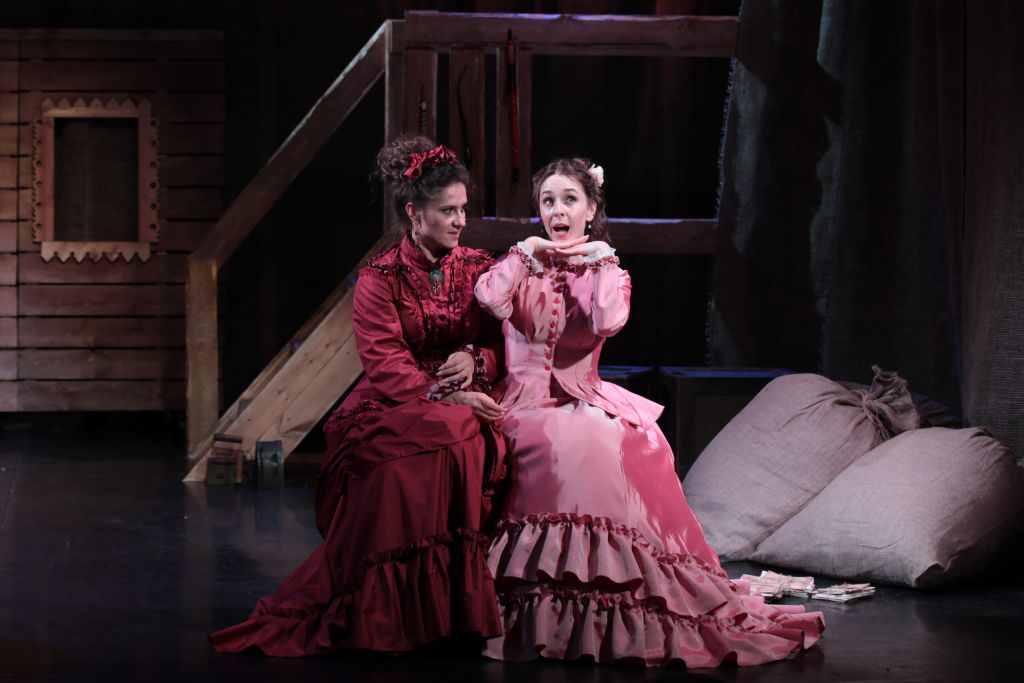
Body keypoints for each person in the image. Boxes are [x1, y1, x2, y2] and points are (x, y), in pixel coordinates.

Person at [474, 157, 824, 667]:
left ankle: (602, 599)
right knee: (563, 439)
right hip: (521, 401)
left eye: (570, 200)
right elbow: (489, 298)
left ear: (591, 208)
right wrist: (527, 250)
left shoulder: (610, 274)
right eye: (548, 201)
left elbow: (606, 320)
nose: (557, 211)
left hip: (582, 395)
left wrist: (599, 261)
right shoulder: (521, 265)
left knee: (612, 437)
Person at [211, 136, 508, 657]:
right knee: (418, 451)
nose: (461, 221)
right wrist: (447, 396)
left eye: (464, 209)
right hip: (401, 396)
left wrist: (474, 358)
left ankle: (450, 610)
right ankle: (394, 612)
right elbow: (385, 362)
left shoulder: (480, 267)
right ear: (414, 213)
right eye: (448, 211)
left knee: (465, 436)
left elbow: (501, 340)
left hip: (470, 389)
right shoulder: (380, 278)